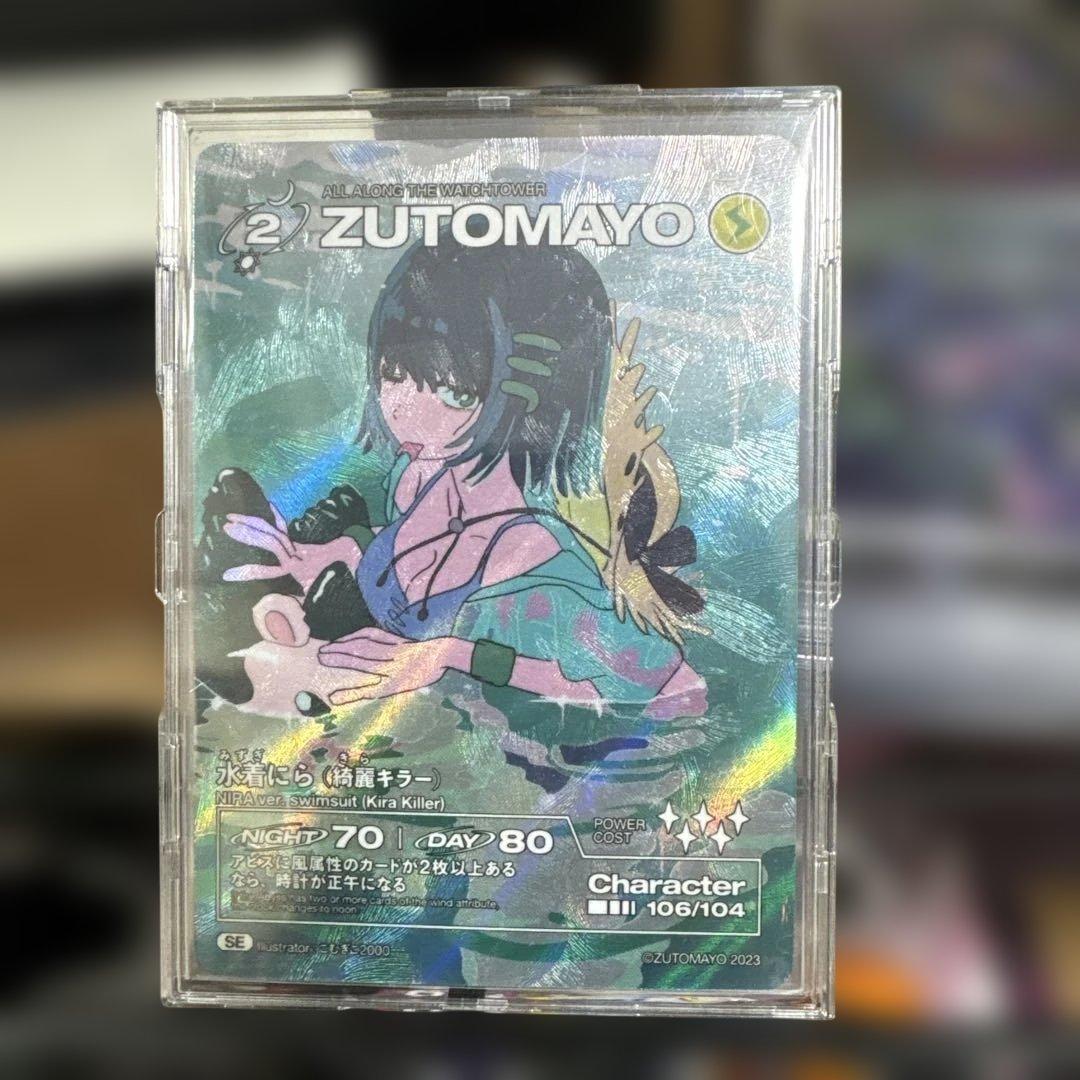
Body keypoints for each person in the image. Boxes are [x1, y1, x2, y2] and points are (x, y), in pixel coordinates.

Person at [200, 234, 707, 720]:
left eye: (456, 394)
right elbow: (411, 548)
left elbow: (680, 693)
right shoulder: (418, 479)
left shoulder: (537, 569)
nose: (402, 413)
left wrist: (451, 656)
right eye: (393, 374)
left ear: (530, 402)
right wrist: (339, 552)